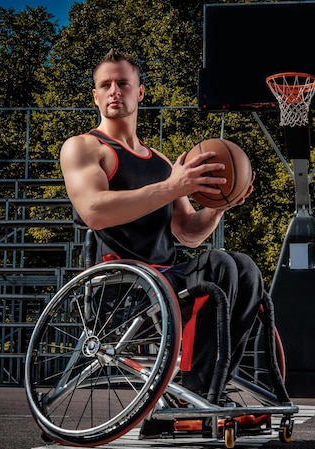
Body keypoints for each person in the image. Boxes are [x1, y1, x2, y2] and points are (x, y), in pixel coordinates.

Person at [60, 49, 272, 402]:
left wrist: (221, 206)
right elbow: (93, 210)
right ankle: (196, 391)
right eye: (105, 85)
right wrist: (174, 186)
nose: (115, 91)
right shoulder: (84, 147)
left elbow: (188, 232)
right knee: (219, 264)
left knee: (244, 267)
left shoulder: (160, 162)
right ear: (95, 95)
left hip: (167, 279)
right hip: (122, 285)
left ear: (139, 92)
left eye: (123, 83)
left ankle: (209, 387)